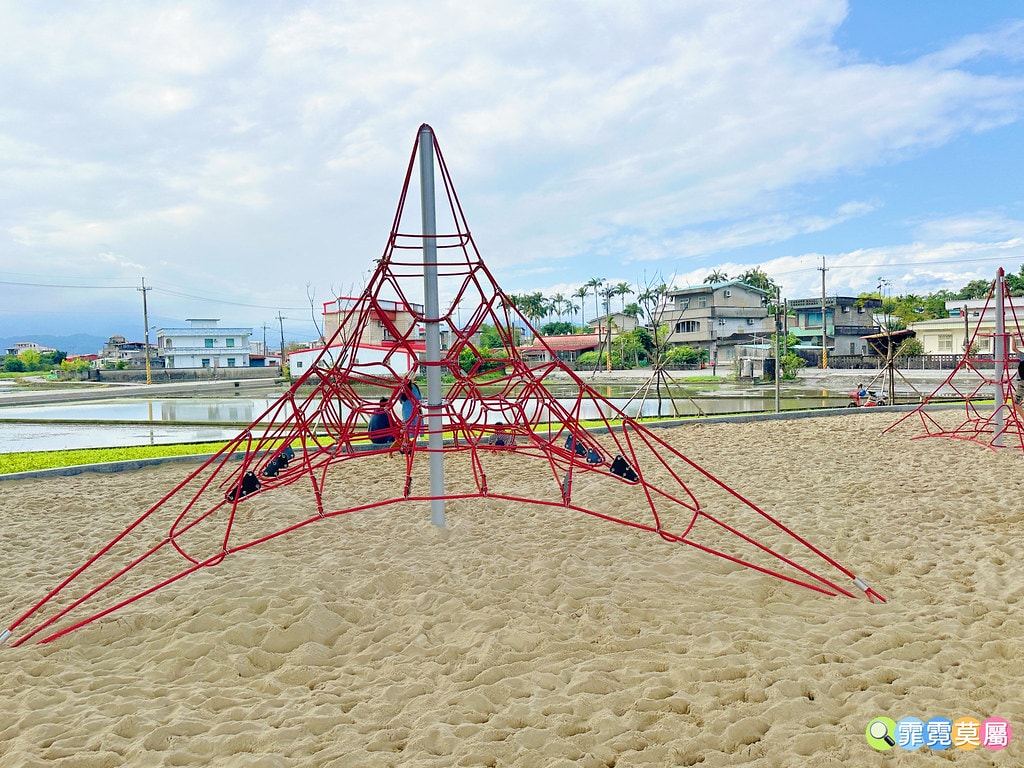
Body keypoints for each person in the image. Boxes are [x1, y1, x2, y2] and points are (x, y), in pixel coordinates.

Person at [397, 383, 422, 451]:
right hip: (413, 410)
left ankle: (408, 445)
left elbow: (400, 399)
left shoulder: (404, 387)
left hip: (409, 410)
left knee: (408, 429)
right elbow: (419, 398)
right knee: (412, 429)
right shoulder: (412, 387)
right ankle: (409, 445)